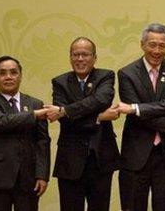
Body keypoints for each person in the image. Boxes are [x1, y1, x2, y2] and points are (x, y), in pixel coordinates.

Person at [116, 23, 165, 211]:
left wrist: (135, 108)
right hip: (136, 155)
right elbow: (139, 118)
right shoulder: (127, 73)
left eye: (162, 45)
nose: (157, 50)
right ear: (142, 44)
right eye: (152, 45)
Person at [45, 37, 120, 211]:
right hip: (70, 160)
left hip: (101, 158)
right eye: (76, 55)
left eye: (85, 54)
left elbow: (101, 99)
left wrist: (66, 110)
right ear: (70, 57)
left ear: (94, 57)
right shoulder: (60, 82)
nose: (80, 59)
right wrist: (99, 118)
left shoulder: (106, 76)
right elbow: (65, 122)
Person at [0, 56, 50, 211]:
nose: (8, 77)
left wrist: (42, 175)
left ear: (20, 76)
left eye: (13, 72)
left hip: (29, 178)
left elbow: (43, 142)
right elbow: (1, 122)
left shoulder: (35, 104)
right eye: (2, 73)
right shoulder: (36, 111)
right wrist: (34, 115)